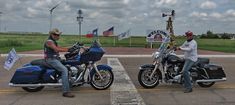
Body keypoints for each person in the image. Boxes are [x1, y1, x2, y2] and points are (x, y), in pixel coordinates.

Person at [44, 28, 75, 98]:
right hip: (51, 59)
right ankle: (66, 91)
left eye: (58, 35)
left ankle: (68, 82)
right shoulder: (49, 41)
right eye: (56, 34)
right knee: (64, 70)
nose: (58, 36)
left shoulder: (53, 41)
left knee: (68, 63)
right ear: (52, 34)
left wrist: (72, 47)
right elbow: (56, 49)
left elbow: (59, 47)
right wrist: (69, 49)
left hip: (55, 59)